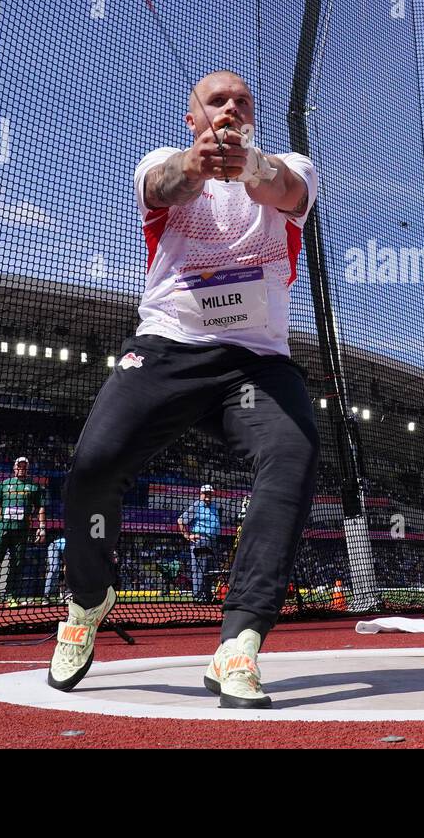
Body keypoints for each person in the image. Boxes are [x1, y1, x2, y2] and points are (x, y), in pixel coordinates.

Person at [47, 70, 320, 708]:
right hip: (167, 347)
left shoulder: (289, 166)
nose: (230, 108)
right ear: (192, 118)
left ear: (255, 116)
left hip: (254, 361)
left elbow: (284, 188)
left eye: (242, 101)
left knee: (293, 455)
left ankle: (240, 642)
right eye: (216, 102)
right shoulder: (163, 165)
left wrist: (249, 165)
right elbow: (163, 184)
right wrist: (196, 167)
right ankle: (87, 601)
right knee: (94, 463)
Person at [0, 457, 46, 607]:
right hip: (2, 529)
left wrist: (41, 527)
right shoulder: (4, 485)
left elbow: (40, 507)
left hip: (21, 530)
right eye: (19, 466)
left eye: (24, 466)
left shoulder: (34, 487)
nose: (21, 468)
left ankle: (11, 596)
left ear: (28, 468)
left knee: (17, 563)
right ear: (14, 467)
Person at [178, 484, 222, 602]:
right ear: (201, 494)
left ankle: (207, 595)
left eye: (210, 493)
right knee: (199, 568)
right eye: (206, 493)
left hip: (212, 541)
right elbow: (181, 520)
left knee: (210, 570)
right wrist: (187, 535)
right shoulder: (197, 505)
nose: (208, 495)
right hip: (200, 540)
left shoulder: (214, 506)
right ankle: (198, 596)